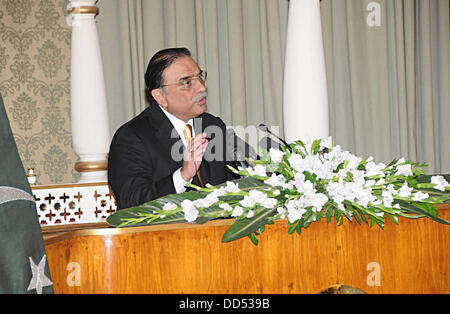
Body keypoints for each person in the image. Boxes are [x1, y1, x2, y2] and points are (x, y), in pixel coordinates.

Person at [108, 48, 238, 210]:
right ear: (160, 96)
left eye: (200, 77)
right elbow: (131, 201)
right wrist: (182, 177)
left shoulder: (212, 125)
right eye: (187, 82)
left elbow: (234, 181)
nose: (201, 88)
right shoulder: (132, 137)